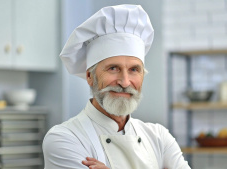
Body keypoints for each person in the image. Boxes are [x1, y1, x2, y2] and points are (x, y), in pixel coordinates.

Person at [43, 4, 191, 169]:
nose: (125, 82)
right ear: (90, 76)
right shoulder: (65, 138)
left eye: (134, 70)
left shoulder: (159, 137)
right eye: (113, 68)